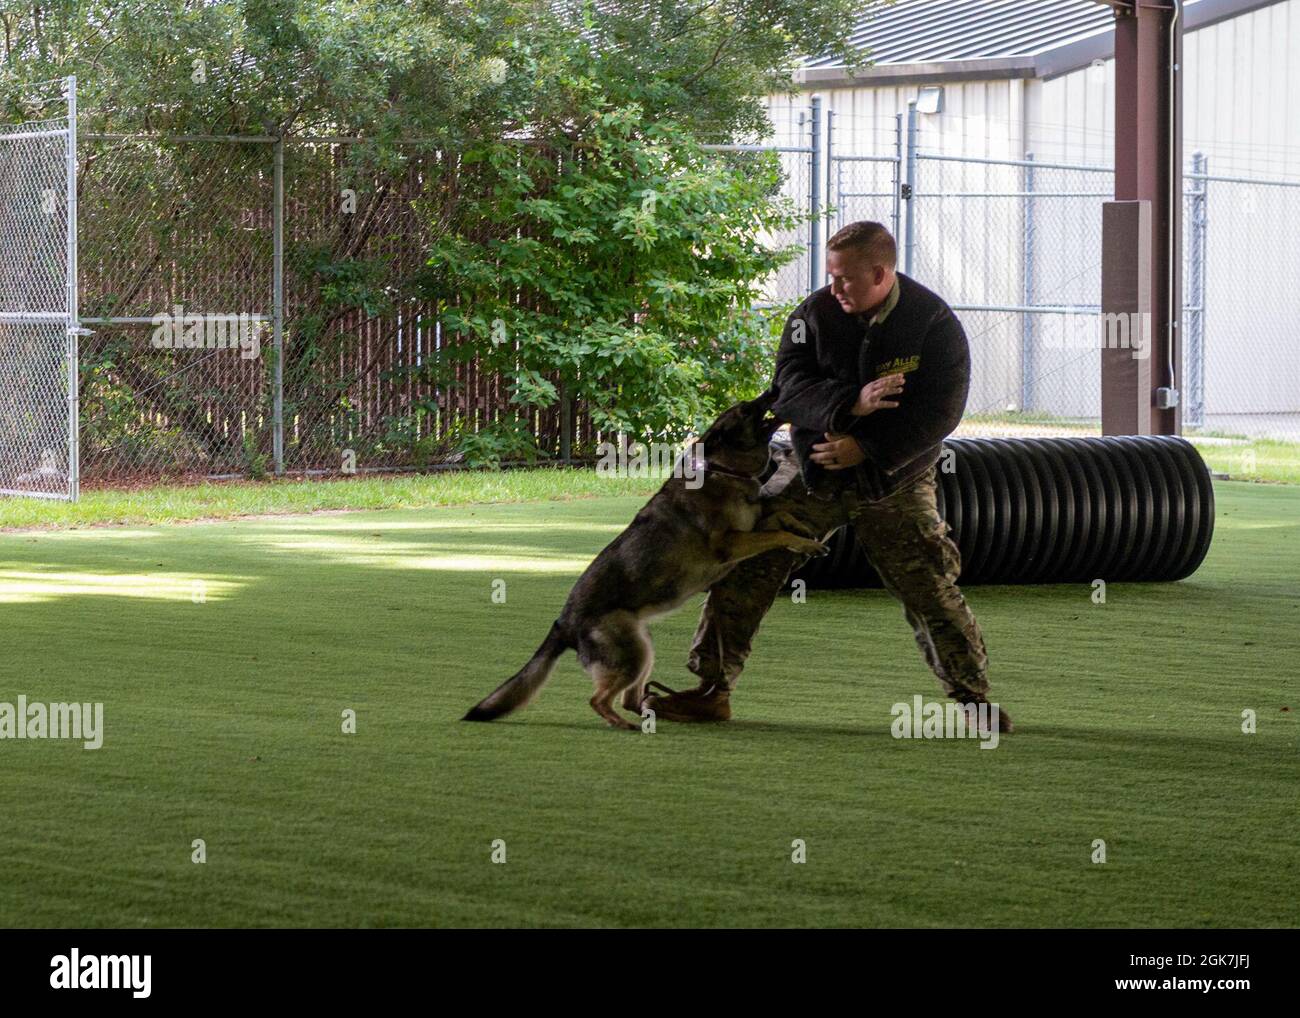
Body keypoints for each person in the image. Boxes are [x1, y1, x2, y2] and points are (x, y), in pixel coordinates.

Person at [641, 220, 1012, 732]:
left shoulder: (932, 322)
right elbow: (788, 389)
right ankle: (711, 689)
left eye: (845, 278)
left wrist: (868, 448)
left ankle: (972, 698)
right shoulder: (812, 316)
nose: (833, 288)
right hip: (812, 471)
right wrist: (849, 406)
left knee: (929, 586)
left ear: (880, 273)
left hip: (894, 478)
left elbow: (941, 412)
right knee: (746, 563)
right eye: (830, 275)